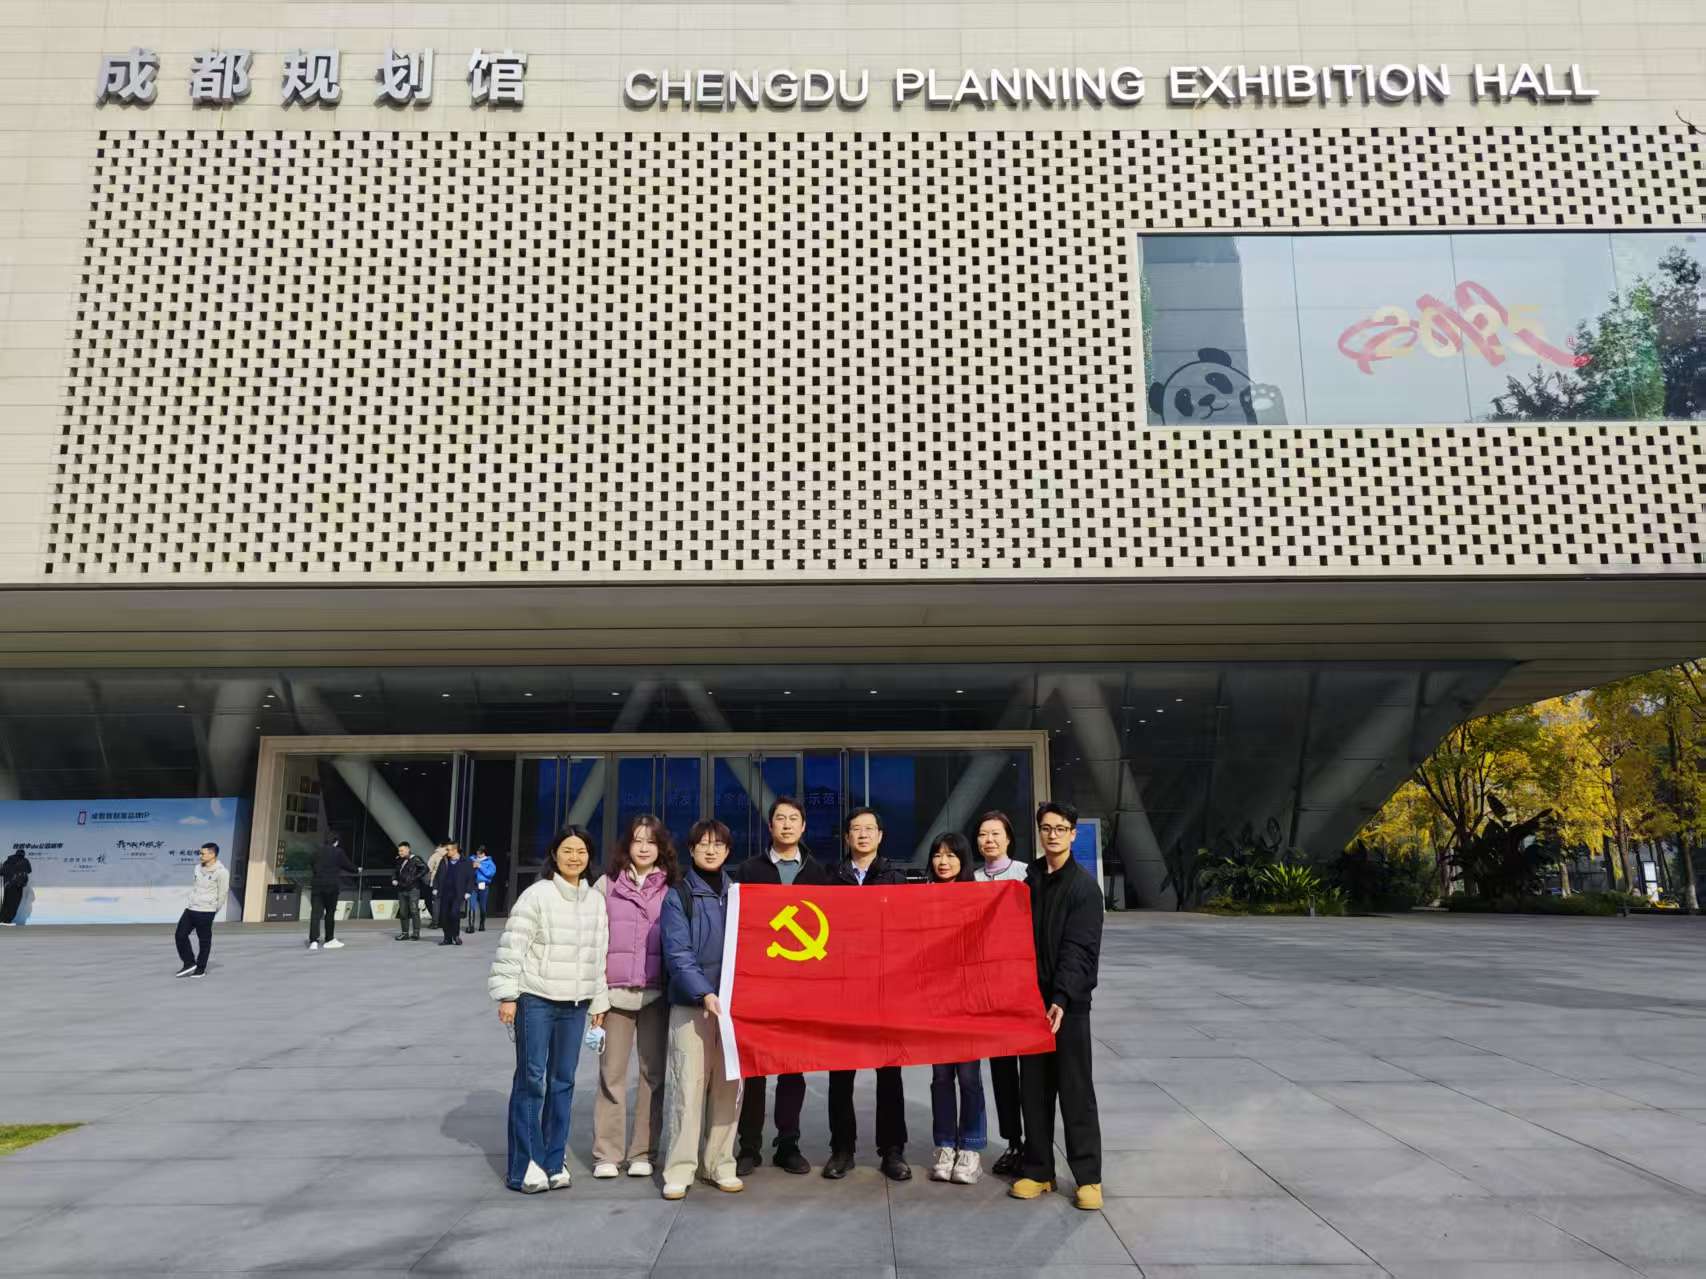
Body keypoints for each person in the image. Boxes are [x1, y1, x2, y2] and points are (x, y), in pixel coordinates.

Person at [489, 826, 610, 1193]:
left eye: (581, 851)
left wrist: (599, 1000)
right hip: (536, 999)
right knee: (531, 1080)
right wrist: (507, 995)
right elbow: (512, 947)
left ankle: (554, 1160)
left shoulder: (595, 900)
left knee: (563, 1081)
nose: (574, 857)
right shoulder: (537, 895)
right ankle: (525, 1165)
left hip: (575, 1004)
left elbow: (598, 955)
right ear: (554, 854)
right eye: (567, 850)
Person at [729, 795, 832, 1177]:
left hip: (801, 987)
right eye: (780, 819)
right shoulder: (749, 870)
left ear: (803, 827)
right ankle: (749, 1146)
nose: (787, 825)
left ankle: (788, 1144)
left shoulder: (818, 873)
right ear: (770, 826)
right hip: (759, 984)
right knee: (755, 1069)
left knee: (793, 1068)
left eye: (793, 819)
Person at [1010, 801, 1105, 1210]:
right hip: (1029, 1004)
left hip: (1069, 1006)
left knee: (1075, 1089)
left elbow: (1080, 950)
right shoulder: (1028, 881)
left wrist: (1062, 997)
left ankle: (1088, 1178)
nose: (1053, 834)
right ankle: (1038, 1171)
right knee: (1033, 1090)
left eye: (1060, 828)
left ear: (1073, 834)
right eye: (1046, 828)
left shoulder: (1084, 888)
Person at [657, 818, 743, 1200]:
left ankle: (719, 1163)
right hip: (692, 1006)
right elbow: (678, 954)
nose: (711, 850)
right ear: (691, 850)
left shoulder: (738, 894)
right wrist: (704, 993)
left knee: (729, 1089)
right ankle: (679, 1169)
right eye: (703, 844)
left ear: (727, 850)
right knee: (687, 1088)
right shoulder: (678, 895)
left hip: (733, 1010)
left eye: (718, 844)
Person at [824, 806, 911, 1182]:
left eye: (869, 829)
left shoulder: (896, 879)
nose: (862, 834)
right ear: (847, 837)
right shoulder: (830, 879)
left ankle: (892, 1150)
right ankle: (842, 1149)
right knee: (840, 1072)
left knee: (889, 1072)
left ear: (880, 836)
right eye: (855, 829)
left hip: (885, 988)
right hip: (843, 988)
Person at [591, 814, 676, 1180]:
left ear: (661, 847)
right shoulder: (606, 885)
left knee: (652, 1075)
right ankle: (607, 1153)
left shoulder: (672, 886)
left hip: (656, 995)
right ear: (626, 845)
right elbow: (593, 941)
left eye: (651, 841)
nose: (643, 847)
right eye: (637, 840)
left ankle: (643, 1151)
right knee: (611, 1075)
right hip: (615, 995)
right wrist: (596, 995)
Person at [925, 832, 986, 1184]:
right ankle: (945, 1145)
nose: (943, 861)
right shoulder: (922, 899)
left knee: (969, 1076)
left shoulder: (977, 897)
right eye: (938, 855)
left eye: (950, 855)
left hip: (968, 1002)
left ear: (963, 860)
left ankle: (972, 1148)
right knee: (941, 1077)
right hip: (936, 1002)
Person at [972, 809, 1029, 1175]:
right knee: (1002, 1070)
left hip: (1021, 985)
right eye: (983, 834)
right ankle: (1013, 1141)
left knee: (1033, 1072)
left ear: (1008, 838)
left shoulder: (1026, 874)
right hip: (987, 988)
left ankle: (1036, 1142)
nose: (989, 840)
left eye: (995, 833)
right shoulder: (972, 878)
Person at [173, 842, 228, 977]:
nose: (200, 856)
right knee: (180, 935)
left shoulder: (222, 872)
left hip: (206, 911)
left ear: (212, 854)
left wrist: (213, 910)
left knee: (204, 941)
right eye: (200, 853)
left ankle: (200, 968)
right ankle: (189, 963)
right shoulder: (197, 868)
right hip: (191, 908)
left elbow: (222, 894)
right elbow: (195, 886)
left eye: (203, 853)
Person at [307, 834, 355, 951]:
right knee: (330, 913)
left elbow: (312, 864)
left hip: (317, 886)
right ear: (336, 842)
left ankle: (313, 941)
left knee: (315, 914)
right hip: (332, 887)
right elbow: (347, 866)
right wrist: (357, 869)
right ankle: (329, 939)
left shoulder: (316, 852)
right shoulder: (338, 852)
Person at [435, 843, 476, 946]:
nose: (446, 852)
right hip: (445, 892)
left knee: (454, 914)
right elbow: (438, 875)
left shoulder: (466, 862)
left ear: (455, 850)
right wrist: (435, 887)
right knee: (444, 916)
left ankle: (456, 935)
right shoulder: (444, 861)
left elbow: (471, 878)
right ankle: (447, 938)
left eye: (448, 850)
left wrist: (468, 891)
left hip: (458, 893)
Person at [392, 841, 429, 941]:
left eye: (402, 850)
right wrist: (394, 879)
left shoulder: (415, 859)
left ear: (408, 849)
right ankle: (404, 933)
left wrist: (414, 878)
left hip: (413, 889)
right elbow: (395, 871)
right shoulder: (399, 860)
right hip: (401, 888)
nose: (400, 852)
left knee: (413, 910)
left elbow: (425, 869)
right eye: (399, 851)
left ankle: (416, 933)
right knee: (403, 912)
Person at [0, 846, 31, 926]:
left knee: (6, 903)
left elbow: (1, 872)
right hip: (18, 886)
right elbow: (29, 870)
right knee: (14, 904)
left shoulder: (8, 860)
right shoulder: (25, 861)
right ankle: (7, 920)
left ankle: (3, 919)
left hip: (8, 886)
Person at [470, 846, 497, 931]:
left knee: (482, 906)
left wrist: (480, 866)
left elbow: (490, 874)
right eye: (477, 852)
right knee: (472, 905)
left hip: (483, 885)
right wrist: (472, 866)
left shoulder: (489, 863)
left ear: (484, 853)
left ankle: (482, 924)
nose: (478, 854)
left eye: (480, 853)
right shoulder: (472, 859)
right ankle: (471, 926)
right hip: (473, 885)